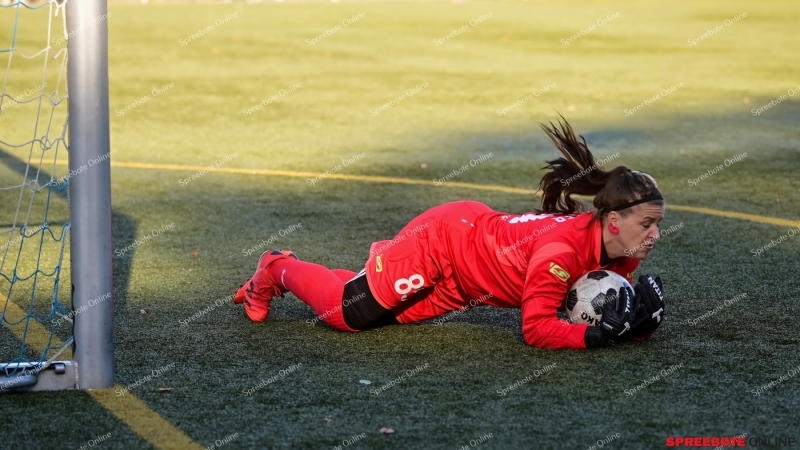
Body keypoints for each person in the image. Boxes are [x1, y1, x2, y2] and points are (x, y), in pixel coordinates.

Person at [233, 117, 666, 349]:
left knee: (380, 313)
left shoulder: (624, 249)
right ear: (613, 221)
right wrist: (594, 336)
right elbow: (537, 329)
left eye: (656, 224)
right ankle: (277, 267)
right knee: (346, 315)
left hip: (466, 280)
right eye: (647, 224)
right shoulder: (561, 252)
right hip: (442, 242)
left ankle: (364, 275)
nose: (655, 234)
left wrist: (638, 325)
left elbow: (610, 308)